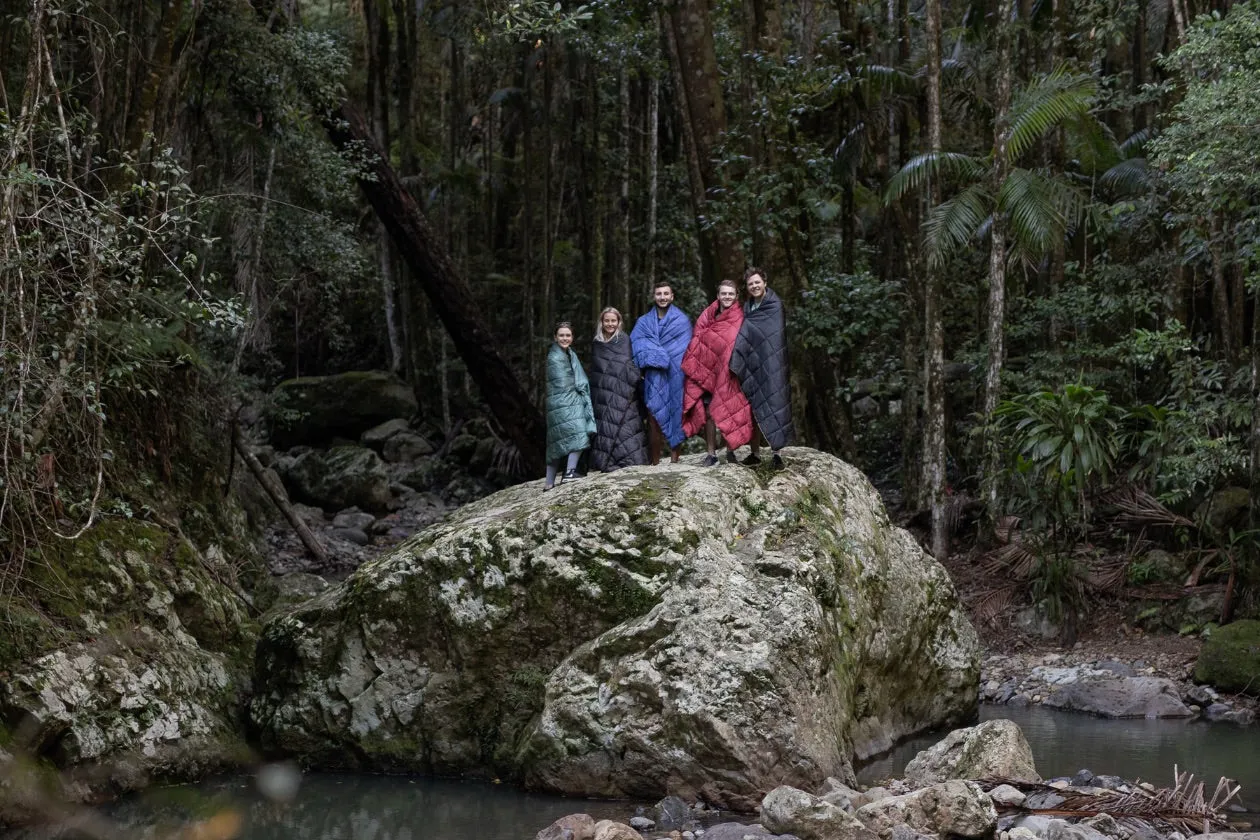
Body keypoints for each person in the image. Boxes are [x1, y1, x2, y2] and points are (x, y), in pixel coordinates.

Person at [681, 279, 753, 466]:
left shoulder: (741, 317)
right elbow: (697, 338)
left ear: (736, 296)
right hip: (707, 370)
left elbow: (745, 343)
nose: (727, 297)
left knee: (731, 410)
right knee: (709, 411)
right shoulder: (708, 314)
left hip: (731, 372)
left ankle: (730, 453)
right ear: (718, 296)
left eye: (730, 293)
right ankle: (711, 454)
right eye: (724, 293)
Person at [731, 267, 795, 469]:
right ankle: (755, 453)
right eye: (750, 284)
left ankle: (777, 453)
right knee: (753, 407)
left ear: (765, 282)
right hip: (753, 363)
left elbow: (773, 337)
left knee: (775, 402)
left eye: (757, 282)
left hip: (772, 362)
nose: (754, 286)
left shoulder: (774, 306)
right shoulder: (747, 307)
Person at [630, 281, 692, 464]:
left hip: (676, 374)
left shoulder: (682, 321)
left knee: (675, 414)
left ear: (672, 296)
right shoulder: (643, 322)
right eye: (659, 294)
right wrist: (656, 357)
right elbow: (636, 346)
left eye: (666, 294)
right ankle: (655, 462)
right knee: (654, 418)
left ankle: (674, 459)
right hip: (654, 376)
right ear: (654, 296)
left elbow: (688, 349)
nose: (663, 297)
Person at [588, 307, 648, 471]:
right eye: (606, 320)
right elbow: (597, 370)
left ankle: (631, 461)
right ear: (601, 322)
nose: (610, 324)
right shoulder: (597, 343)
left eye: (613, 320)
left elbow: (627, 366)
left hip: (624, 391)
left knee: (626, 425)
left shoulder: (623, 340)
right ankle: (605, 461)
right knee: (605, 424)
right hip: (602, 393)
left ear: (618, 322)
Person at [544, 322, 596, 490]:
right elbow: (562, 383)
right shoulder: (555, 357)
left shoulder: (569, 354)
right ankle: (569, 474)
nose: (565, 338)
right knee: (579, 432)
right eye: (561, 335)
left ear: (572, 338)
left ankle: (549, 483)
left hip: (563, 403)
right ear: (555, 337)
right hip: (564, 402)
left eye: (568, 335)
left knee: (557, 441)